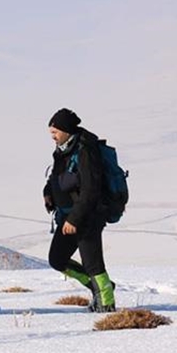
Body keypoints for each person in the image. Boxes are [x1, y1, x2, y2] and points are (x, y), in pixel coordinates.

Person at [43, 108, 116, 312]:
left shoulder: (86, 150)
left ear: (66, 130)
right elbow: (56, 177)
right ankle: (98, 288)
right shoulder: (63, 149)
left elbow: (91, 190)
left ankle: (106, 305)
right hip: (67, 216)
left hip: (88, 215)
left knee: (92, 263)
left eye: (55, 132)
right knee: (57, 259)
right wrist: (48, 192)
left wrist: (74, 219)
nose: (52, 136)